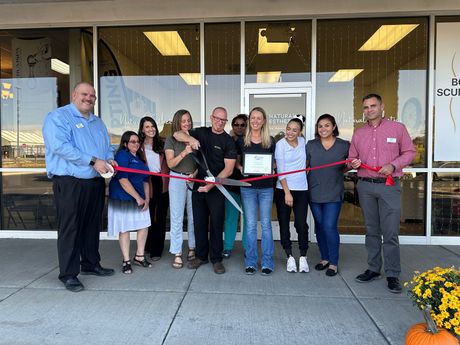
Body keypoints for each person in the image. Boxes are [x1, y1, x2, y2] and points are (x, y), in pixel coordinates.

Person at [42, 82, 115, 292]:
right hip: (70, 181)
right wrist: (93, 161)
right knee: (71, 228)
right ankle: (68, 273)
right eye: (84, 94)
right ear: (74, 95)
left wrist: (110, 160)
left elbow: (107, 147)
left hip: (94, 181)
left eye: (92, 95)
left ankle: (91, 264)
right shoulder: (58, 117)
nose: (89, 98)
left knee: (92, 226)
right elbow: (59, 147)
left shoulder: (97, 122)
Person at [349, 93, 416, 293]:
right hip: (366, 186)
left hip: (389, 186)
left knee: (390, 232)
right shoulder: (359, 134)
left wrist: (393, 165)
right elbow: (351, 157)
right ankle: (373, 268)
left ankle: (393, 273)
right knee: (371, 230)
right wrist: (353, 162)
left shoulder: (398, 128)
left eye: (373, 106)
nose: (369, 110)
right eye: (366, 107)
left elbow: (410, 152)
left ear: (382, 106)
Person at [173, 107, 236, 274]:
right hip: (197, 187)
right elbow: (177, 134)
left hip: (217, 188)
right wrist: (190, 139)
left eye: (223, 120)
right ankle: (201, 256)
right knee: (199, 222)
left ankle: (216, 259)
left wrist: (210, 185)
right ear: (211, 117)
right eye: (217, 118)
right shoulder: (201, 133)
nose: (220, 122)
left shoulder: (228, 141)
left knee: (216, 224)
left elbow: (228, 170)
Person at [306, 114, 350, 277]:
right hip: (314, 191)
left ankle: (333, 262)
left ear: (333, 127)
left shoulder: (344, 145)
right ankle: (324, 258)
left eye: (326, 125)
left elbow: (347, 166)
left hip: (333, 192)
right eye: (320, 126)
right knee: (319, 226)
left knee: (329, 226)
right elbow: (304, 166)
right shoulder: (311, 145)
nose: (323, 129)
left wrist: (347, 167)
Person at [237, 107, 276, 276]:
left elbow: (275, 163)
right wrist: (241, 169)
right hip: (248, 188)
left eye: (258, 118)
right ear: (249, 120)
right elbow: (237, 163)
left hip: (266, 187)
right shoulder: (241, 141)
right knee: (251, 226)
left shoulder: (271, 141)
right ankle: (251, 262)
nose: (255, 121)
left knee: (266, 225)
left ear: (264, 120)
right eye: (253, 118)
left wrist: (272, 169)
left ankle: (267, 262)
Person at [108, 131, 152, 274]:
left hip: (139, 198)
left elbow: (146, 180)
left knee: (144, 225)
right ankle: (126, 260)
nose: (136, 144)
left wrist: (146, 198)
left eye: (138, 141)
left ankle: (139, 256)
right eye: (133, 141)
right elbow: (123, 180)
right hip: (123, 198)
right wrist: (138, 198)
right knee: (124, 228)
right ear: (126, 143)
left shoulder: (140, 159)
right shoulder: (122, 155)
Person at [274, 117, 309, 273]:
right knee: (284, 223)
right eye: (288, 129)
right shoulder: (280, 145)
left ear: (300, 132)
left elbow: (307, 160)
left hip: (302, 189)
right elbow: (280, 170)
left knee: (301, 223)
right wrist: (287, 193)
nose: (290, 132)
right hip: (283, 189)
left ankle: (303, 256)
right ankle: (289, 256)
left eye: (295, 130)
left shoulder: (303, 142)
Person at [164, 109, 197, 269]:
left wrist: (195, 173)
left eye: (189, 120)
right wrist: (185, 152)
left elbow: (200, 162)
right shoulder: (171, 140)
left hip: (193, 179)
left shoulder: (194, 138)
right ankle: (177, 252)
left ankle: (192, 247)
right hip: (177, 178)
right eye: (183, 121)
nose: (187, 123)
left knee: (193, 216)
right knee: (177, 217)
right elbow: (170, 164)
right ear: (177, 122)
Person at [138, 116, 169, 261]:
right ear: (142, 130)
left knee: (161, 217)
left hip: (162, 182)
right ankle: (147, 245)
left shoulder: (163, 143)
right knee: (147, 216)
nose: (151, 129)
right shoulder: (138, 146)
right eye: (147, 127)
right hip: (146, 182)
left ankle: (157, 249)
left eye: (153, 126)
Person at [223, 114, 248, 258]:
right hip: (231, 185)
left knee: (248, 219)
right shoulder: (228, 141)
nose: (239, 127)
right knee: (231, 217)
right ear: (232, 126)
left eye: (242, 125)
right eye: (236, 124)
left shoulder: (251, 141)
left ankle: (247, 247)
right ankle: (227, 247)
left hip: (248, 186)